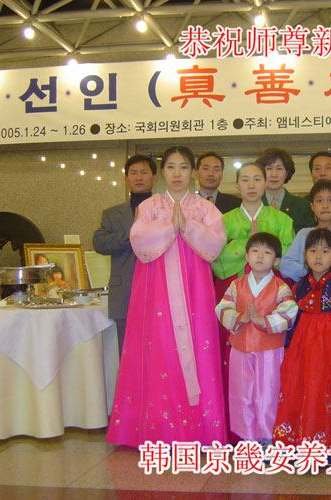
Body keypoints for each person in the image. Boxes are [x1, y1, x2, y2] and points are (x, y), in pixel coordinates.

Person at [107, 145, 227, 448]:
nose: (177, 174)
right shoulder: (150, 206)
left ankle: (201, 430)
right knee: (159, 349)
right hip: (156, 291)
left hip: (195, 292)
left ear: (193, 172)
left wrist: (188, 226)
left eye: (184, 167)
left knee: (198, 348)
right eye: (171, 167)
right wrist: (168, 226)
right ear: (162, 172)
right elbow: (138, 240)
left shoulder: (205, 209)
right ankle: (157, 429)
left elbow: (216, 244)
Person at [211, 162, 295, 439]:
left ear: (266, 182)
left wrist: (247, 244)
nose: (251, 185)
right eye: (244, 179)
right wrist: (243, 246)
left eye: (257, 179)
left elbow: (287, 257)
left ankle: (268, 432)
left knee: (270, 381)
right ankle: (241, 432)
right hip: (236, 291)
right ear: (236, 185)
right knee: (238, 378)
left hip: (270, 295)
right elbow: (216, 258)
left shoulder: (282, 220)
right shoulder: (223, 220)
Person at [273, 228, 331, 448]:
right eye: (313, 251)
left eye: (325, 251)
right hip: (303, 350)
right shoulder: (298, 288)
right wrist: (288, 349)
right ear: (305, 255)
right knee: (305, 388)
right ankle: (304, 442)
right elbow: (293, 321)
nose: (318, 256)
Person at [215, 232, 298, 444]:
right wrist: (240, 318)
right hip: (240, 347)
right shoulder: (237, 284)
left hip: (270, 350)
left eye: (267, 252)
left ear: (276, 260)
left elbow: (290, 311)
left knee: (268, 392)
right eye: (255, 251)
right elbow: (222, 308)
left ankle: (267, 437)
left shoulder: (280, 286)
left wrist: (264, 321)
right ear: (246, 257)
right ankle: (247, 438)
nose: (260, 256)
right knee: (241, 392)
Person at [93, 154, 157, 356]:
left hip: (158, 289)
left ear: (155, 178)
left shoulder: (165, 211)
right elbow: (99, 243)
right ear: (126, 178)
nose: (138, 177)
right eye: (133, 173)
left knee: (158, 352)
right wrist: (134, 232)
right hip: (125, 293)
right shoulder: (112, 214)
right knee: (127, 352)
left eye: (144, 172)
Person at [280, 180, 331, 282]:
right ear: (312, 207)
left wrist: (325, 274)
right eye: (319, 200)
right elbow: (285, 266)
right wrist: (314, 273)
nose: (325, 205)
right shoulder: (304, 234)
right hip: (307, 288)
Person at [257, 147, 316, 233]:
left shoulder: (302, 206)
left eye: (279, 168)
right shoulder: (252, 204)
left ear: (287, 173)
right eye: (269, 168)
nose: (274, 174)